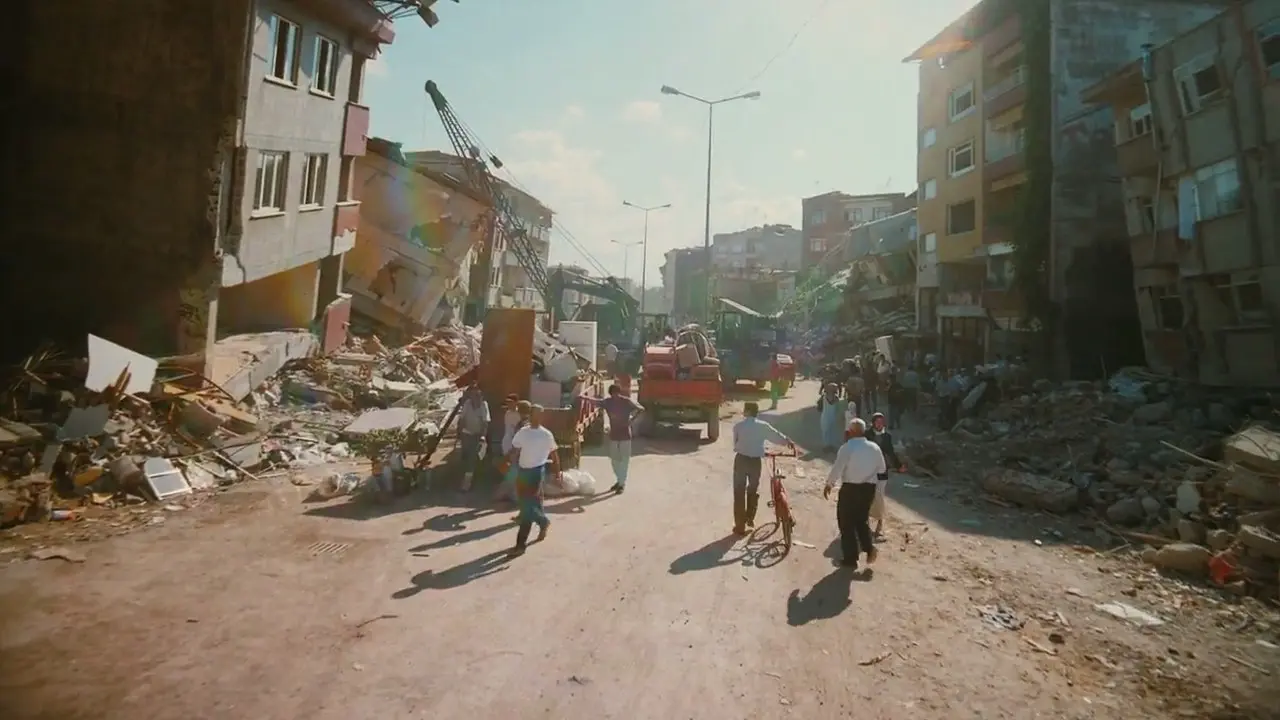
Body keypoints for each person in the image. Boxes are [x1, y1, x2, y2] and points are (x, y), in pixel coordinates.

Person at [824, 418, 886, 570]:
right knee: (861, 520)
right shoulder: (874, 448)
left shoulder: (847, 447)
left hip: (850, 489)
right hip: (868, 490)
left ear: (850, 432)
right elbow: (882, 470)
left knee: (846, 523)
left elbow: (837, 468)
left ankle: (851, 559)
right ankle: (869, 549)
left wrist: (829, 484)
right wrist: (879, 489)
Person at [730, 401, 796, 535]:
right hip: (755, 461)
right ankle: (750, 518)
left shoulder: (738, 426)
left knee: (739, 492)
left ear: (747, 411)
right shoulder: (763, 426)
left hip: (741, 460)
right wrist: (788, 442)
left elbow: (736, 442)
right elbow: (776, 436)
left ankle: (740, 526)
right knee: (753, 490)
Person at [504, 404, 559, 557]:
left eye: (540, 414)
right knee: (526, 504)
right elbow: (515, 450)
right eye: (535, 413)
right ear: (530, 414)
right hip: (523, 472)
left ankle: (520, 545)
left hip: (536, 473)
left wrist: (557, 473)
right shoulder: (523, 432)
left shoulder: (546, 434)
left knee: (527, 509)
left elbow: (554, 454)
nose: (537, 416)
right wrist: (506, 461)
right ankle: (543, 522)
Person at [583, 384, 643, 494]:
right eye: (613, 394)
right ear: (611, 394)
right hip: (614, 435)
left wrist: (631, 420)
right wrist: (584, 398)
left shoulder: (626, 401)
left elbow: (640, 409)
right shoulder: (608, 402)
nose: (615, 396)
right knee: (615, 460)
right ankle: (619, 480)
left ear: (619, 393)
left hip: (625, 435)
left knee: (624, 459)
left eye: (616, 394)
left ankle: (621, 483)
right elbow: (596, 402)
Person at [865, 413, 904, 538]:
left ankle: (879, 524)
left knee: (880, 496)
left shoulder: (887, 436)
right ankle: (865, 523)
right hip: (868, 470)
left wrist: (898, 466)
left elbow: (890, 452)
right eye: (877, 421)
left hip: (882, 470)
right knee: (867, 496)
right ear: (873, 423)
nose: (880, 424)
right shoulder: (866, 434)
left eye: (882, 421)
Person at [494, 398, 530, 502]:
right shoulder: (530, 423)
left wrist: (512, 454)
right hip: (526, 454)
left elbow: (518, 440)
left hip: (519, 453)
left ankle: (516, 497)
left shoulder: (522, 424)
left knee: (515, 474)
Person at [456, 386, 491, 492]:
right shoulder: (467, 404)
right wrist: (460, 432)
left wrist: (483, 436)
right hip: (467, 433)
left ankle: (466, 484)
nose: (476, 398)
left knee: (473, 457)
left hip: (477, 434)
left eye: (478, 396)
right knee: (466, 456)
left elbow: (485, 422)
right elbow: (462, 419)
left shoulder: (484, 405)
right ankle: (469, 476)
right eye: (474, 396)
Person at [816, 383, 847, 452]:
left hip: (826, 416)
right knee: (830, 431)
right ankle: (829, 446)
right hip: (831, 416)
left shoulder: (824, 396)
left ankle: (827, 446)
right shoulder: (835, 398)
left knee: (827, 431)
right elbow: (834, 405)